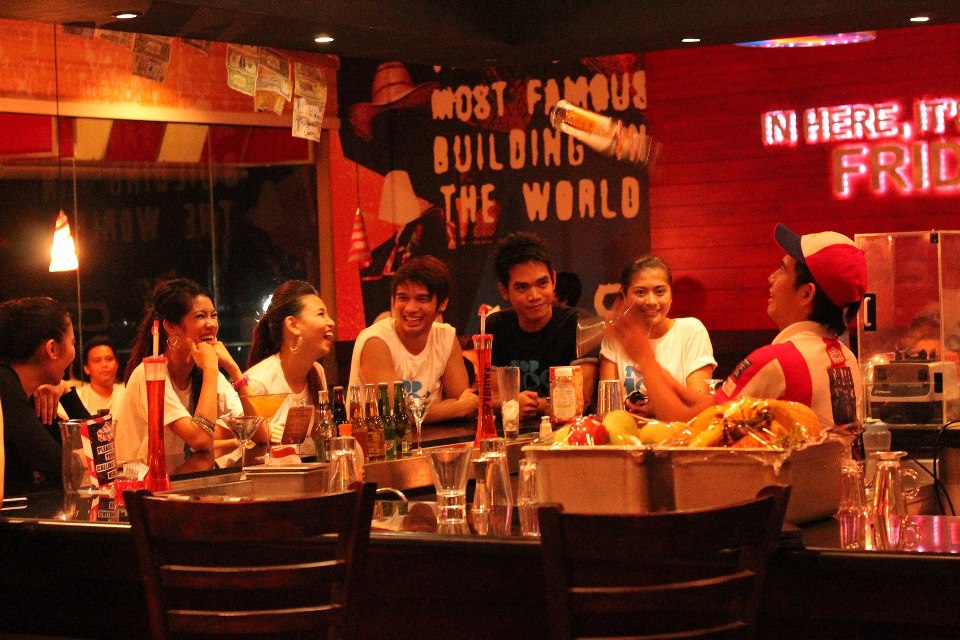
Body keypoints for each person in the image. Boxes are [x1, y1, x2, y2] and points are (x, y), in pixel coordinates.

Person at [613, 224, 867, 428]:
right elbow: (713, 404)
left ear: (806, 294)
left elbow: (687, 423)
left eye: (782, 269)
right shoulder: (845, 357)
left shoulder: (776, 362)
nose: (771, 278)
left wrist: (644, 357)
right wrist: (663, 378)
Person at [114, 278, 252, 462]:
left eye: (213, 315)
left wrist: (233, 369)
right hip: (139, 478)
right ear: (171, 326)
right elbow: (201, 440)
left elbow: (255, 431)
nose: (212, 324)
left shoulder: (202, 369)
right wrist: (211, 369)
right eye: (200, 316)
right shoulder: (151, 374)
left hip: (181, 475)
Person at [349, 255, 478, 422]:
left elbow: (463, 399)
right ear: (393, 301)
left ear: (443, 303)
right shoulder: (375, 341)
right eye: (403, 298)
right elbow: (397, 413)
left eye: (422, 299)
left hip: (434, 436)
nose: (410, 308)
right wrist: (454, 408)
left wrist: (456, 407)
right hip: (375, 438)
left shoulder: (445, 336)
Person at [487, 232, 597, 420]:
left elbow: (581, 400)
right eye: (522, 287)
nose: (535, 295)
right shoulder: (496, 326)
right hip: (512, 432)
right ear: (504, 291)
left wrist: (534, 405)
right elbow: (492, 398)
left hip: (569, 431)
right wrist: (509, 403)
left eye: (542, 283)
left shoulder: (584, 324)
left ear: (553, 280)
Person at [600, 255, 716, 414]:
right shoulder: (617, 336)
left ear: (671, 295)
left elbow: (697, 405)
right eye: (640, 292)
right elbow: (609, 405)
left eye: (660, 291)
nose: (651, 301)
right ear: (625, 297)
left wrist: (657, 407)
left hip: (678, 427)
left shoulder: (691, 331)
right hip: (627, 427)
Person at [0, 297, 75, 494]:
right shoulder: (5, 386)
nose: (74, 351)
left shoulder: (26, 392)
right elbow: (61, 463)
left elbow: (92, 450)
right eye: (72, 342)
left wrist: (66, 391)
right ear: (52, 349)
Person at [244, 280, 335, 443]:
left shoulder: (317, 372)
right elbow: (225, 440)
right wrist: (261, 433)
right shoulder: (257, 382)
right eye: (321, 314)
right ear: (293, 325)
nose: (331, 322)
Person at [69, 336, 125, 416]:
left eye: (109, 359)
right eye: (97, 360)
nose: (104, 364)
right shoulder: (77, 397)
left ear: (117, 364)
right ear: (86, 368)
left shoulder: (126, 391)